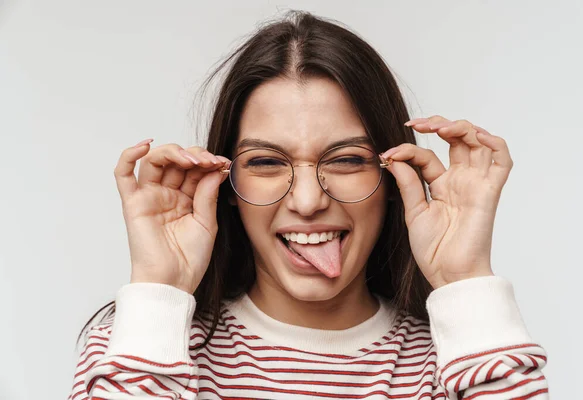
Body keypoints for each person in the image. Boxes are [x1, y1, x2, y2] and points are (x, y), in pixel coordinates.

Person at [68, 10, 549, 399]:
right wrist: (158, 290)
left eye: (345, 159)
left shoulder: (457, 356)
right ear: (227, 184)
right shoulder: (140, 344)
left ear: (391, 179)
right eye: (265, 162)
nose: (307, 201)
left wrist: (464, 279)